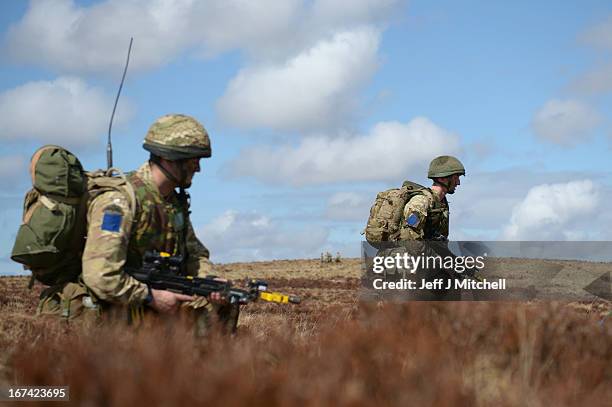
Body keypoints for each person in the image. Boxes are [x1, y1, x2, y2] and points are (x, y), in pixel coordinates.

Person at [40, 114, 237, 332]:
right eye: (193, 161)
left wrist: (209, 282)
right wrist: (151, 296)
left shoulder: (173, 203)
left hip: (146, 305)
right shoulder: (119, 202)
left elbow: (195, 255)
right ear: (170, 158)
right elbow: (101, 275)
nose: (198, 169)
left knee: (222, 308)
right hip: (109, 311)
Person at [400, 155, 465, 241]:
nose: (458, 182)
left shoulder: (441, 203)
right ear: (441, 179)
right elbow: (408, 238)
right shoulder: (420, 202)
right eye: (455, 178)